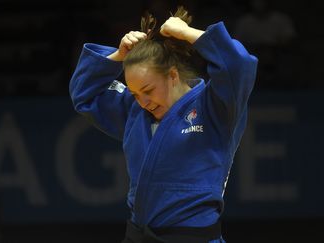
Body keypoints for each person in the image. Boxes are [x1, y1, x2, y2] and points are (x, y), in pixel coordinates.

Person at [69, 5, 257, 243]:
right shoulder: (134, 111)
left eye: (148, 90)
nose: (143, 101)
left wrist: (189, 33)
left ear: (173, 75)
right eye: (135, 93)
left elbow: (239, 65)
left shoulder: (215, 107)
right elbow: (84, 95)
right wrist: (118, 57)